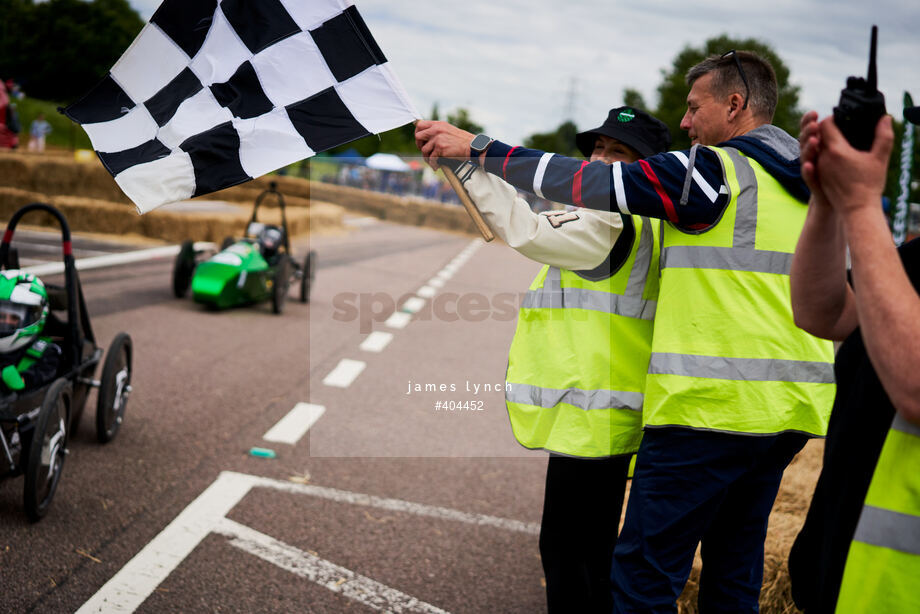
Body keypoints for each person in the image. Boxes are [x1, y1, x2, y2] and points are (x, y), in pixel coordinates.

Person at [416, 50, 836, 612]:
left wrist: (475, 153)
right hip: (789, 410)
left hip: (700, 409)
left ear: (734, 105)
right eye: (599, 147)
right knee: (733, 569)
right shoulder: (806, 183)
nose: (688, 122)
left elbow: (559, 201)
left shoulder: (703, 178)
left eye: (694, 107)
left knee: (638, 577)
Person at [453, 106, 670, 613]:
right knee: (592, 554)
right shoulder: (648, 222)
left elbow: (526, 228)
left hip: (592, 416)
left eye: (618, 152)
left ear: (644, 168)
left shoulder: (609, 221)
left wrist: (467, 162)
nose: (599, 158)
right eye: (597, 148)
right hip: (612, 408)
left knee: (570, 556)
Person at [788, 108, 920, 614]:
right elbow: (822, 311)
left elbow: (914, 386)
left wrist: (863, 203)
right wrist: (826, 199)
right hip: (842, 572)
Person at [0, 270, 61, 395]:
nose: (6, 322)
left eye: (14, 318)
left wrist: (23, 379)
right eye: (1, 316)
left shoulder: (47, 351)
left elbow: (43, 374)